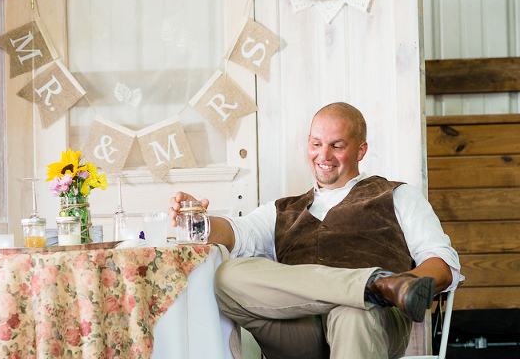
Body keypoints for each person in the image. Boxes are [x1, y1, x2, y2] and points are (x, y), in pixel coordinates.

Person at [169, 102, 460, 359]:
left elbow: (443, 266)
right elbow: (237, 233)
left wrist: (406, 282)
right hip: (300, 331)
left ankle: (368, 293)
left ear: (361, 150)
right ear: (307, 144)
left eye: (337, 145)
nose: (324, 155)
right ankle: (371, 284)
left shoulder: (397, 196)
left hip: (373, 323)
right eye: (317, 144)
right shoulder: (282, 210)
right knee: (226, 276)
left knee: (353, 312)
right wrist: (199, 221)